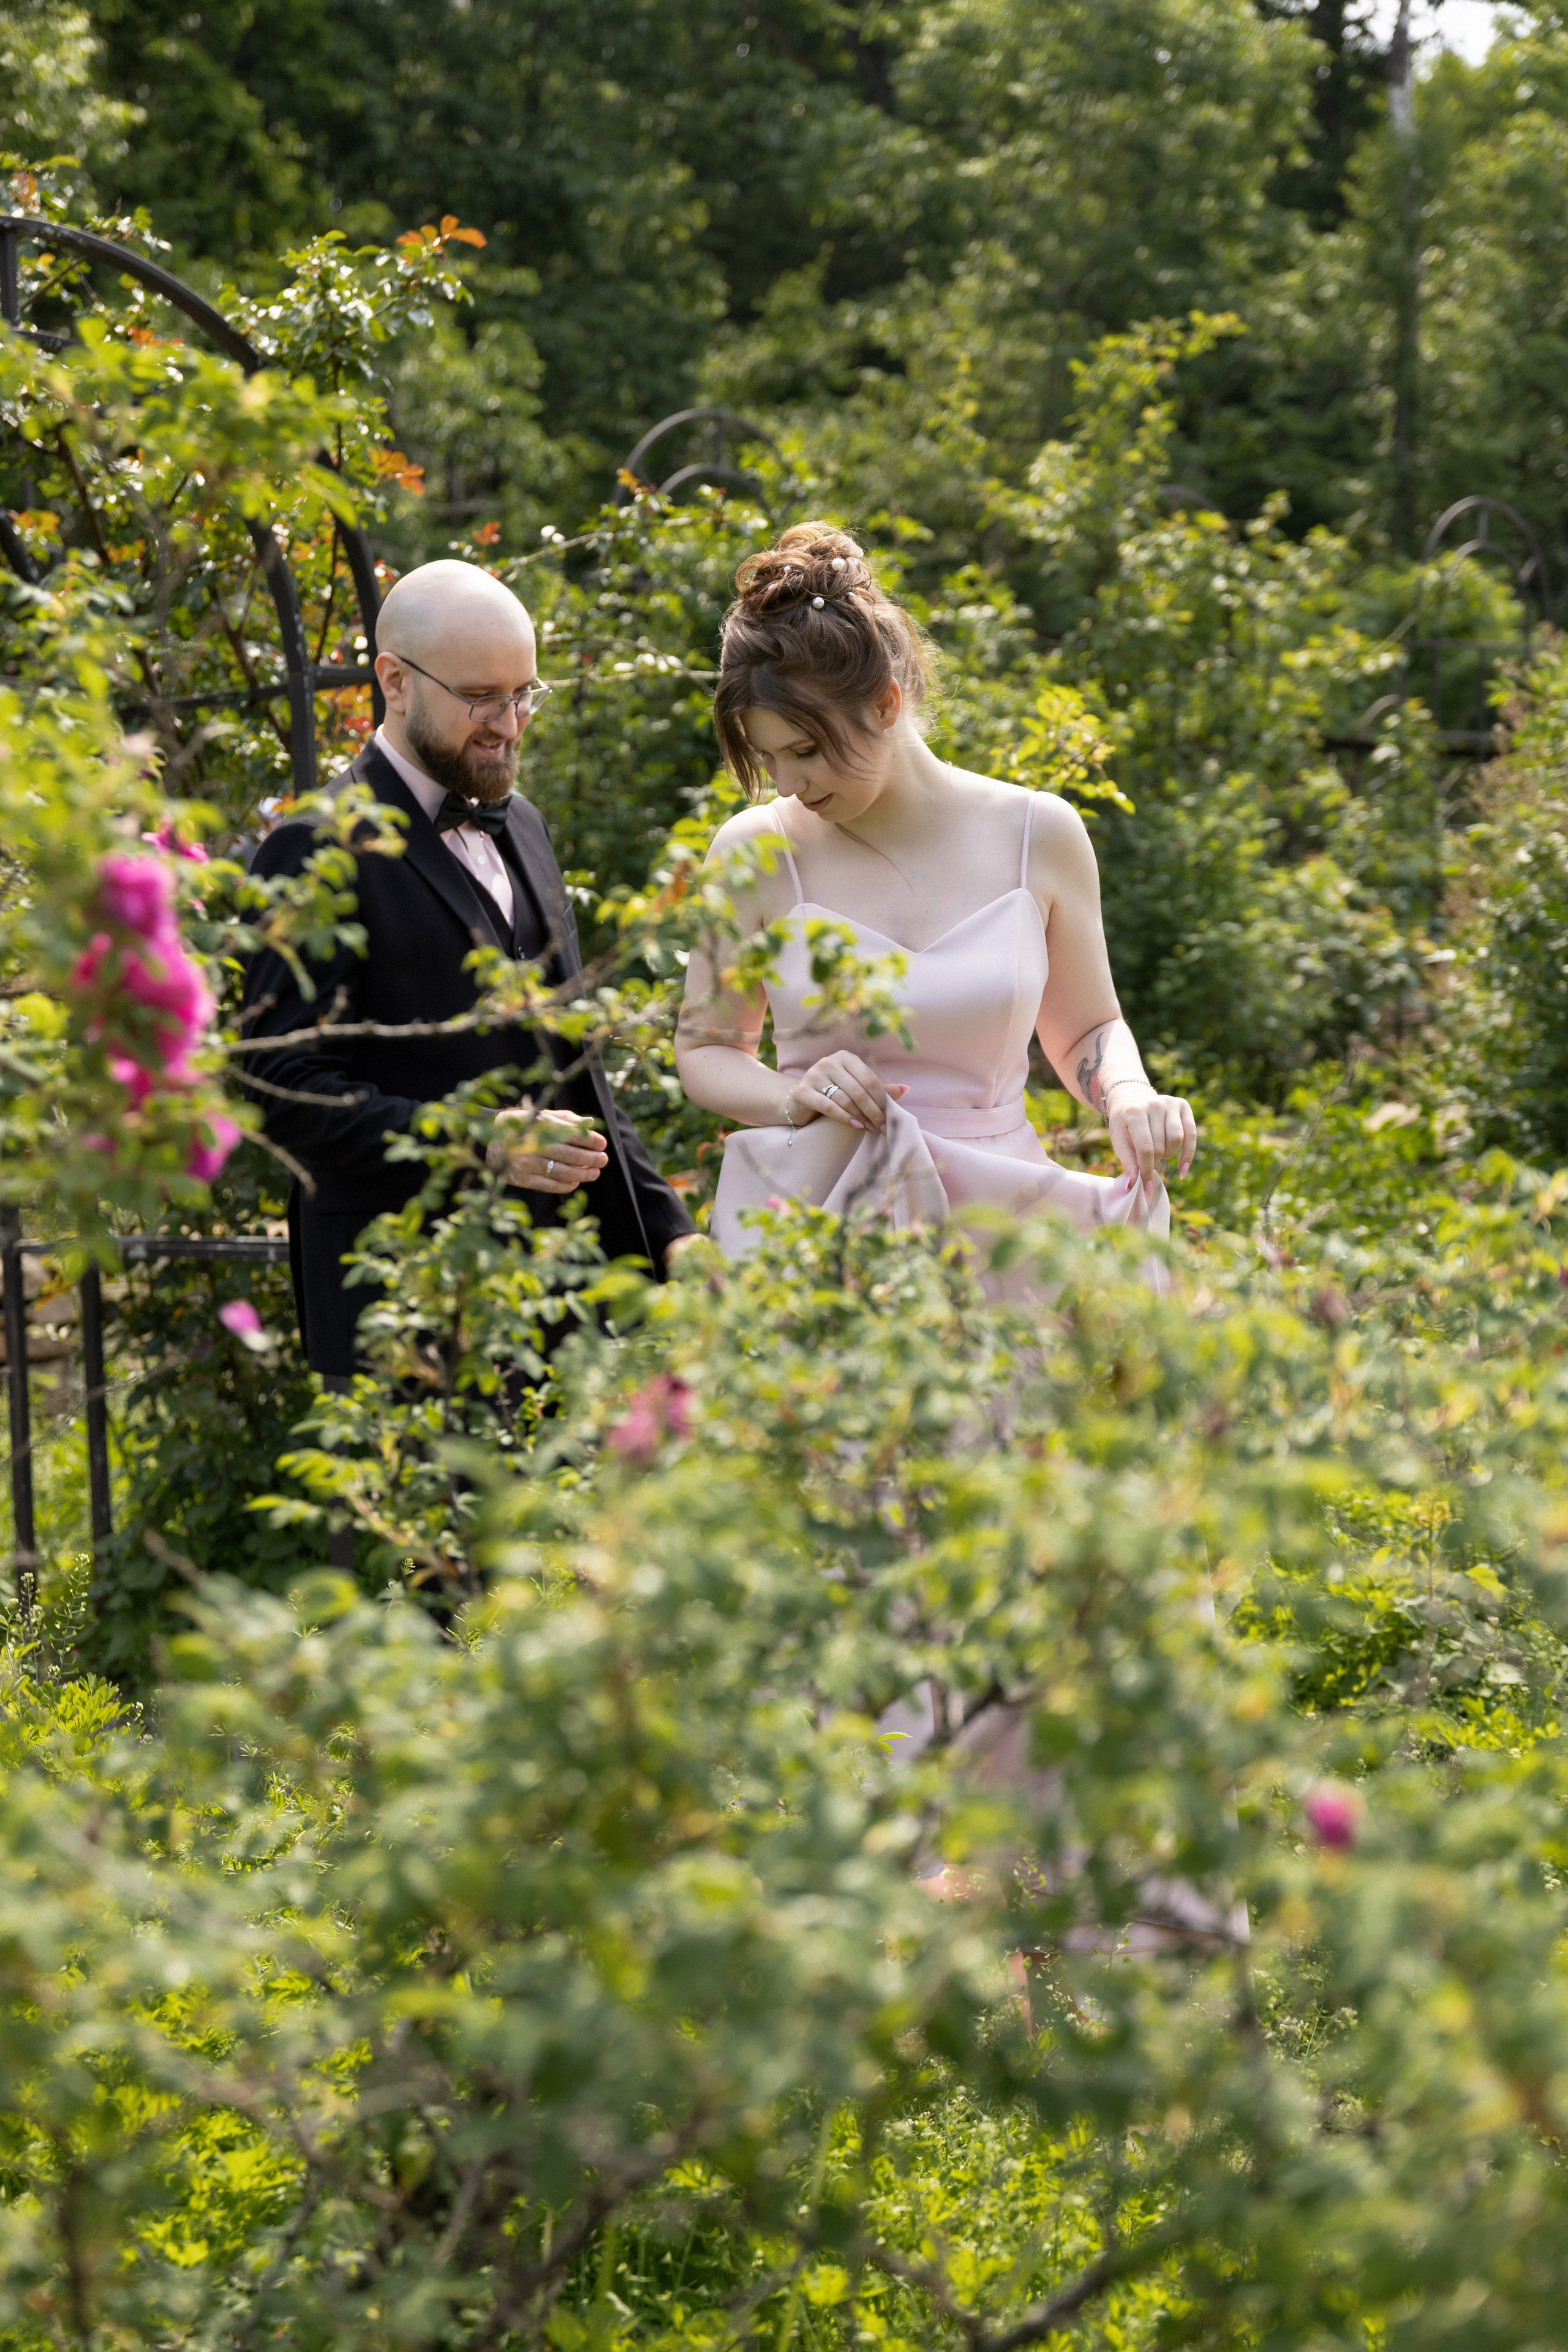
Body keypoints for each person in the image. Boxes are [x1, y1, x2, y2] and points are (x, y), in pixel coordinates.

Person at [674, 524, 1197, 1254]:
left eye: (806, 750)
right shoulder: (755, 852)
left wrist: (1128, 1093)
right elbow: (706, 1049)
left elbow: (1087, 1030)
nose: (788, 783)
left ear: (886, 704)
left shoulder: (1038, 834)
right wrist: (792, 1096)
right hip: (817, 1219)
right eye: (768, 758)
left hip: (1002, 1223)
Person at [241, 560, 694, 1378]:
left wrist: (670, 1234)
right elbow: (280, 1088)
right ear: (395, 681)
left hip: (562, 1315)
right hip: (402, 1322)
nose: (510, 725)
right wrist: (478, 1142)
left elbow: (574, 1069)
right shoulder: (313, 845)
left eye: (525, 695)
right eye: (482, 698)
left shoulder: (525, 827)